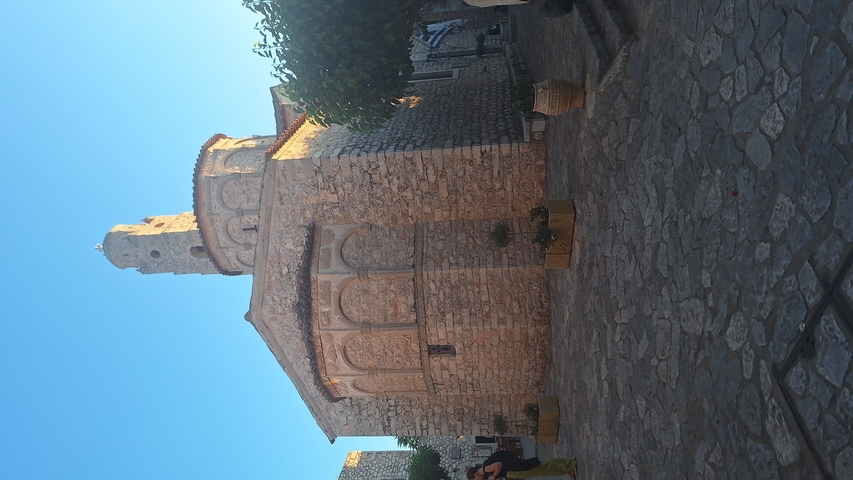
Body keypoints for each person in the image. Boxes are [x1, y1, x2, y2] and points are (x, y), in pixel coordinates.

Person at [467, 449, 578, 479]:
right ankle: (567, 469)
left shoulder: (485, 469)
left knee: (542, 467)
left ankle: (570, 464)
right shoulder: (485, 471)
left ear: (475, 475)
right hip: (514, 473)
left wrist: (494, 476)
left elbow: (498, 465)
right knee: (542, 470)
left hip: (515, 470)